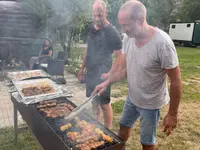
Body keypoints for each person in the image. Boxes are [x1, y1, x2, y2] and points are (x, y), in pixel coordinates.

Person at [93, 0, 182, 149]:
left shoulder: (162, 43)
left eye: (126, 25)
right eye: (121, 25)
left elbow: (176, 80)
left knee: (146, 142)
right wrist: (106, 82)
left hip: (151, 103)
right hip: (132, 98)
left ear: (140, 20)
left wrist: (172, 114)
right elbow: (123, 70)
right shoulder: (128, 38)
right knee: (122, 129)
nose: (123, 30)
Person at [77, 0, 122, 129]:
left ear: (105, 13)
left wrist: (109, 74)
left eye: (100, 15)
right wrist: (82, 68)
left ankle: (107, 130)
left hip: (103, 74)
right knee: (93, 101)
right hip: (91, 72)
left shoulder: (112, 32)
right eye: (95, 15)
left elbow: (120, 57)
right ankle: (95, 126)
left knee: (104, 104)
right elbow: (88, 49)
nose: (97, 18)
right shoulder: (92, 28)